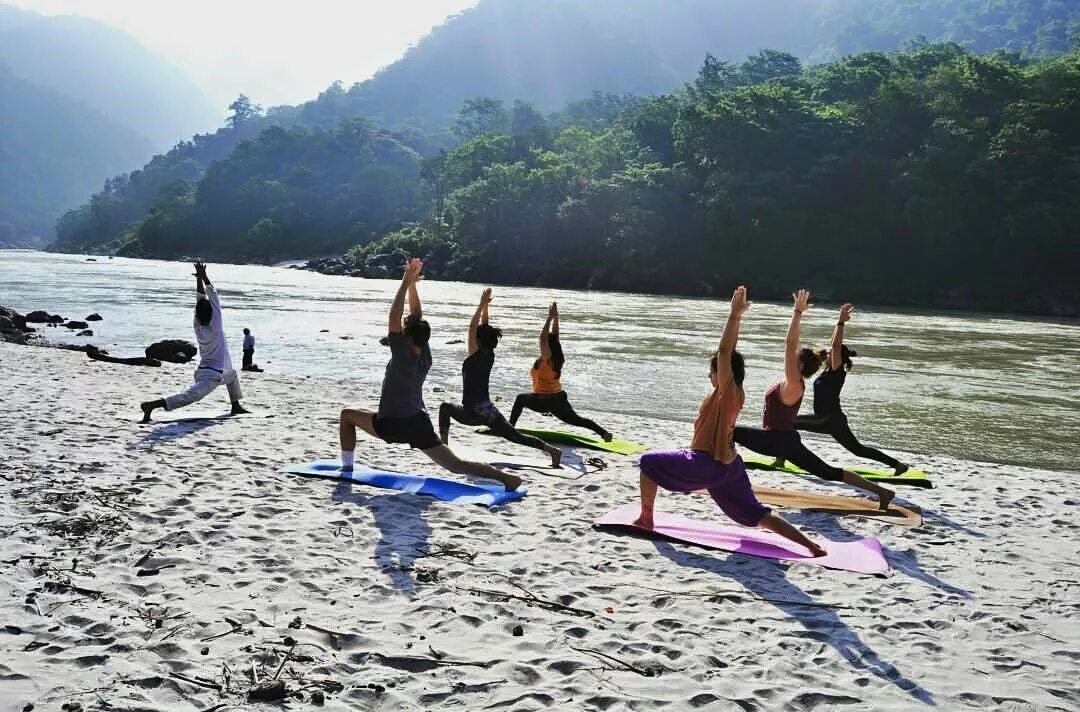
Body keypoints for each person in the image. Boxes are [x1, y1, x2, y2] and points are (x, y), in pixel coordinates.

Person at [634, 286, 826, 556]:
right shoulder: (727, 395)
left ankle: (646, 518)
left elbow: (725, 352)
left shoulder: (729, 392)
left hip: (706, 464)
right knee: (757, 514)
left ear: (723, 373)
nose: (709, 376)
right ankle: (810, 546)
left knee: (648, 462)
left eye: (711, 371)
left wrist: (734, 316)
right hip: (730, 467)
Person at [338, 259, 522, 491]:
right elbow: (416, 315)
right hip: (418, 422)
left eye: (403, 331)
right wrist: (414, 285)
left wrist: (405, 283)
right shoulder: (424, 352)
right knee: (455, 464)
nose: (401, 330)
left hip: (392, 424)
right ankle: (506, 479)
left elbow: (394, 317)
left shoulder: (402, 354)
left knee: (347, 415)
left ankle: (346, 470)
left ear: (406, 336)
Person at [733, 290, 894, 509]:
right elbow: (795, 349)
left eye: (794, 358)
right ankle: (883, 492)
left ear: (799, 365)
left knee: (728, 431)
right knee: (828, 472)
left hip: (776, 441)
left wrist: (798, 313)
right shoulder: (794, 383)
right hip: (786, 442)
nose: (790, 358)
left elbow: (789, 344)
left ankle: (725, 476)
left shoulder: (794, 384)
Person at [772, 304, 909, 476]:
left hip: (827, 418)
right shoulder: (829, 371)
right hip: (833, 420)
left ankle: (781, 458)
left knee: (787, 423)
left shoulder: (838, 371)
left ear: (838, 358)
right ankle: (898, 465)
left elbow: (835, 346)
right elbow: (832, 346)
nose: (828, 354)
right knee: (858, 449)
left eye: (831, 354)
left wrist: (841, 322)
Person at [438, 289, 563, 467]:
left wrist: (481, 305)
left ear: (478, 341)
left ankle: (444, 446)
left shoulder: (474, 354)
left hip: (472, 413)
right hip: (488, 410)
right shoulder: (489, 354)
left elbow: (473, 328)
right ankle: (552, 451)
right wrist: (486, 307)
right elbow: (483, 329)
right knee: (515, 436)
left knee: (444, 407)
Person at [140, 262, 249, 422]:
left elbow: (201, 299)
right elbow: (213, 295)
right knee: (190, 396)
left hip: (204, 371)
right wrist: (204, 277)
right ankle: (152, 405)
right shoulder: (216, 326)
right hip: (212, 376)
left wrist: (198, 279)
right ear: (213, 313)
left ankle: (236, 405)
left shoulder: (197, 325)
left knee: (232, 375)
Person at [509, 301, 612, 441]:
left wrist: (549, 318)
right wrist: (556, 317)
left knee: (520, 399)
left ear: (548, 347)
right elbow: (554, 337)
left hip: (543, 401)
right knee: (576, 420)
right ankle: (603, 433)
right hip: (559, 398)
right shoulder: (557, 359)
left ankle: (510, 427)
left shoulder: (547, 359)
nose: (542, 345)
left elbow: (542, 338)